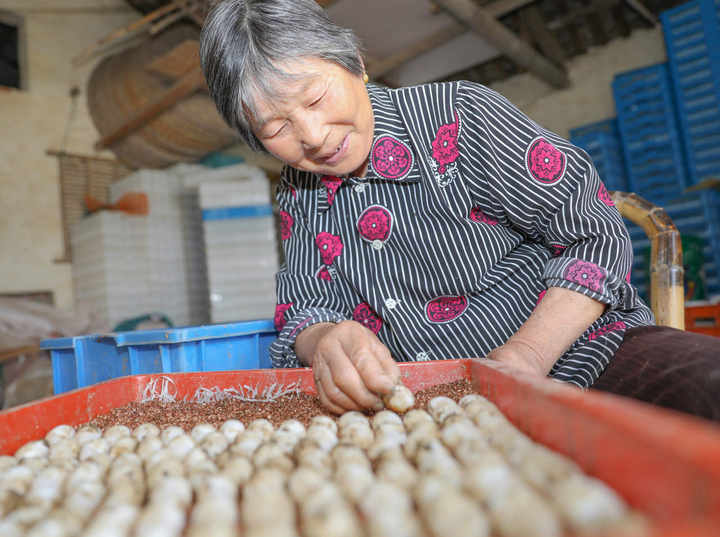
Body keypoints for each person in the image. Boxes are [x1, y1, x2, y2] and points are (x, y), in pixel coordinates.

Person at [200, 0, 720, 420]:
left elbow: (592, 233)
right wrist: (326, 338)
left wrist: (527, 357)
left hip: (587, 358)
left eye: (314, 101)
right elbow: (303, 311)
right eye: (275, 129)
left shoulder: (461, 119)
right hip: (432, 408)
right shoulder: (300, 192)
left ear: (354, 63)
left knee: (706, 389)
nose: (312, 138)